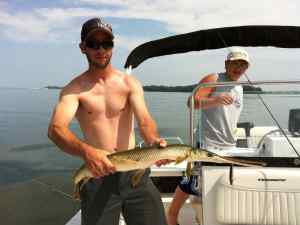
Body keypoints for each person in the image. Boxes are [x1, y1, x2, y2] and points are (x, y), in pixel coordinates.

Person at [48, 17, 169, 225]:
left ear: (113, 46)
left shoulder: (129, 83)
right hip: (98, 175)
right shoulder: (74, 90)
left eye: (107, 43)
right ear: (82, 48)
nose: (101, 49)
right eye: (93, 44)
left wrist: (153, 141)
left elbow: (145, 121)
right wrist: (87, 152)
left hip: (134, 172)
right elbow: (56, 129)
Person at [166, 47, 250, 225]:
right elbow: (191, 102)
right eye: (235, 63)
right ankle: (172, 215)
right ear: (226, 64)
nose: (239, 68)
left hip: (228, 143)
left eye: (243, 65)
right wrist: (215, 100)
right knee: (190, 180)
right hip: (207, 142)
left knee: (220, 179)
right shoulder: (214, 79)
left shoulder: (240, 87)